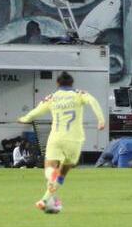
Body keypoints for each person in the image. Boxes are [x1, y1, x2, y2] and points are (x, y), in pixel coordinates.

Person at [18, 71, 106, 214]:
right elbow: (93, 101)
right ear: (72, 83)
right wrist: (101, 120)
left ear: (58, 83)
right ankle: (46, 200)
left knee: (49, 168)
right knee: (63, 172)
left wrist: (25, 118)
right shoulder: (79, 94)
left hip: (56, 138)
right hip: (75, 140)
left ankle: (50, 191)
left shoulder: (52, 97)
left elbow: (37, 111)